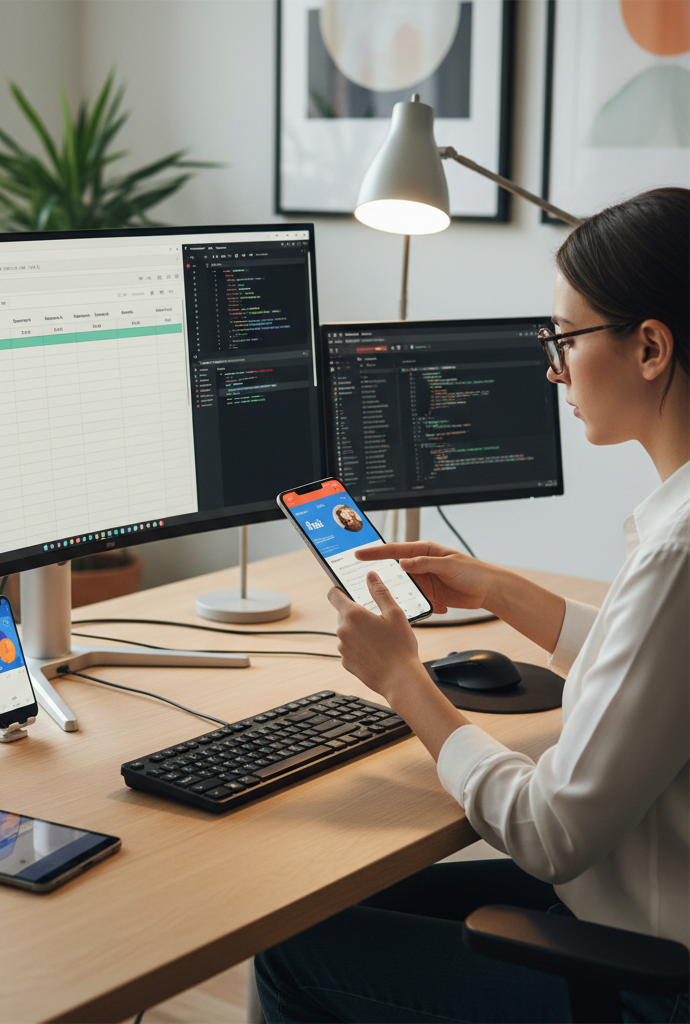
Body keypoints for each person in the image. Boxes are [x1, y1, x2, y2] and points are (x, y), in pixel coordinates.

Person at [255, 187, 689, 1024]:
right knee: (320, 910)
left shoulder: (676, 553)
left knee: (292, 954)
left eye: (563, 338)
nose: (553, 366)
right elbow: (660, 671)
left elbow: (549, 831)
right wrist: (502, 592)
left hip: (652, 984)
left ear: (650, 348)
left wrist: (405, 681)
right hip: (635, 910)